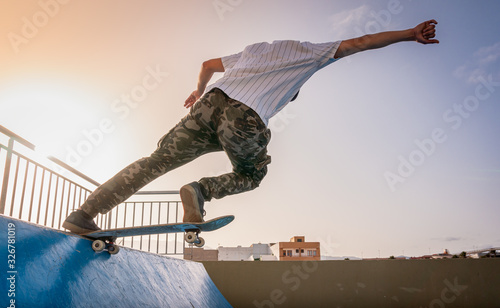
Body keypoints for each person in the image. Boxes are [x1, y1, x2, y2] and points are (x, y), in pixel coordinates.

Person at [63, 20, 438, 234]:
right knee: (253, 171)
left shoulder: (251, 51)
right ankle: (200, 191)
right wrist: (409, 34)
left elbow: (208, 63)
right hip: (245, 119)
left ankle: (84, 215)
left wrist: (198, 92)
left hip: (207, 108)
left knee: (154, 161)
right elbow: (361, 41)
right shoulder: (310, 52)